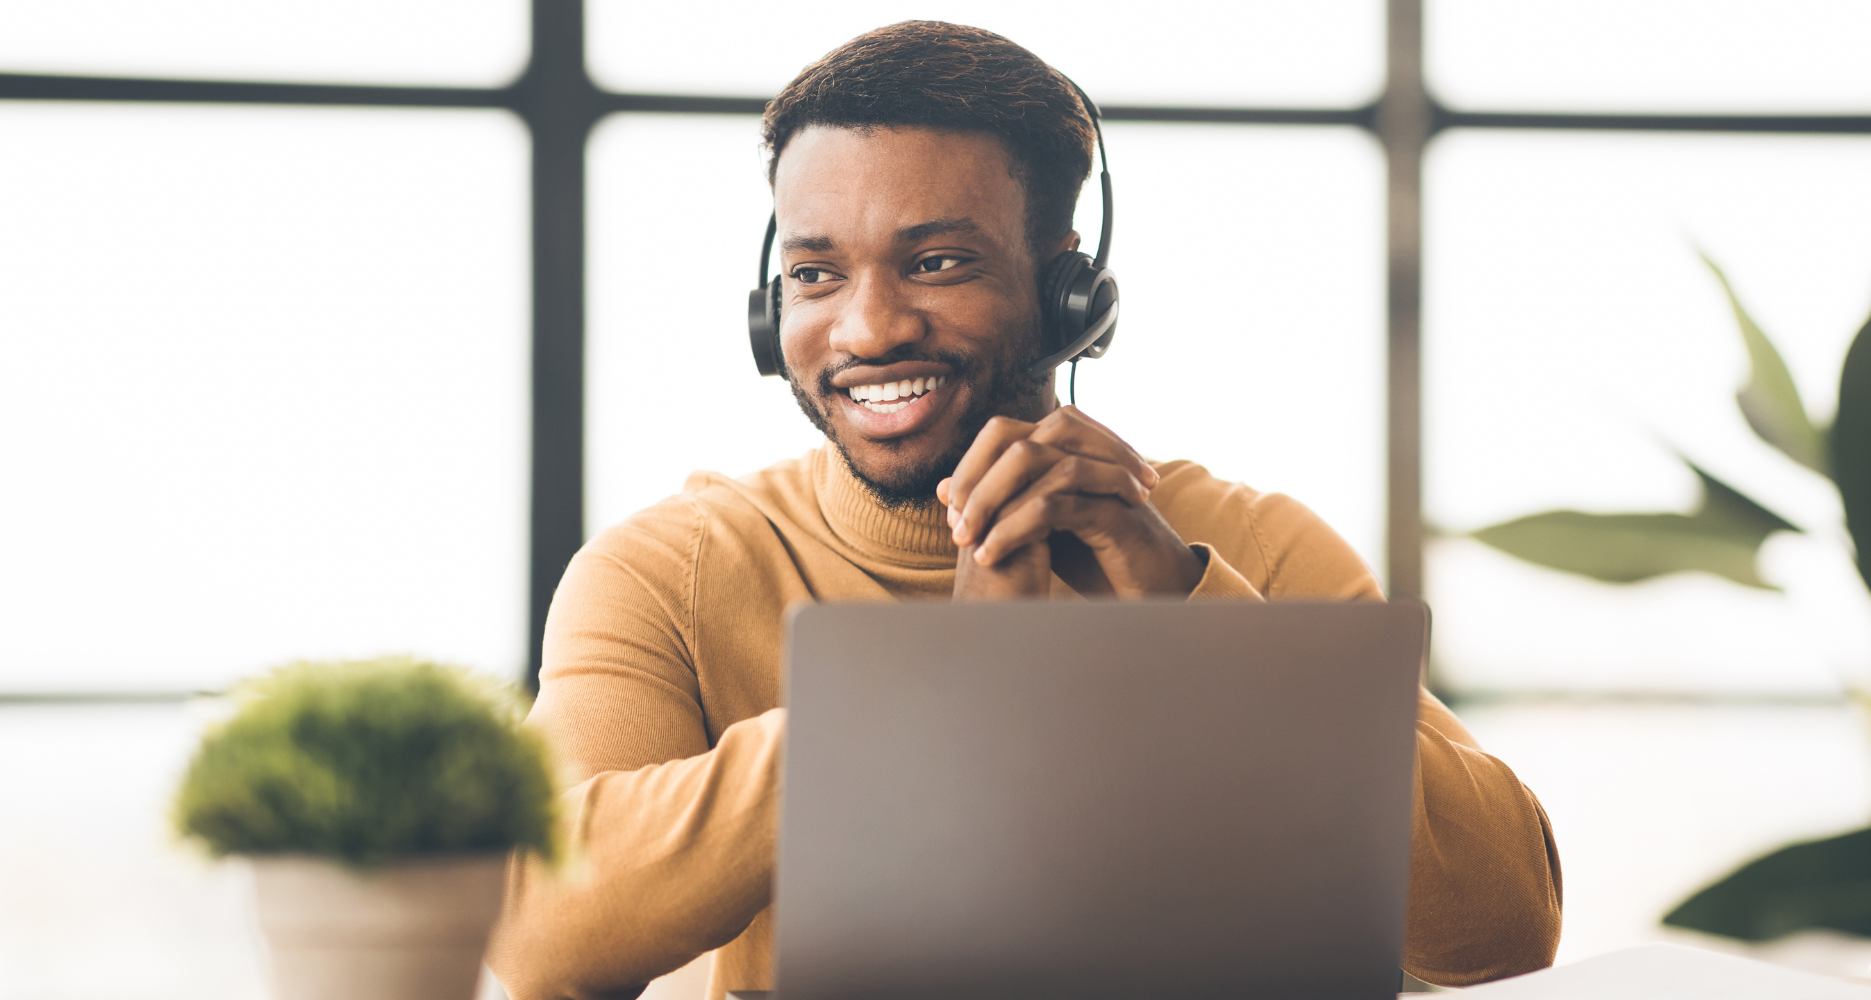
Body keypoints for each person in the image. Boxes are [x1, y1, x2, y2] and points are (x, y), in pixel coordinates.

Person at [487, 21, 1561, 1000]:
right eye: (815, 274)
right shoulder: (669, 571)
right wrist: (943, 683)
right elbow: (540, 936)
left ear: (1069, 298)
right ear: (772, 316)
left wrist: (1185, 611)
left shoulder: (1249, 548)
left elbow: (1502, 928)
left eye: (936, 261)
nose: (864, 329)